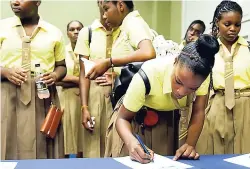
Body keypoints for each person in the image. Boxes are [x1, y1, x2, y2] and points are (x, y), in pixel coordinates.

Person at [108, 34, 219, 163]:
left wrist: (190, 144)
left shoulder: (201, 76)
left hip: (166, 120)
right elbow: (122, 119)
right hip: (132, 120)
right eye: (178, 81)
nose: (181, 92)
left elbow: (198, 111)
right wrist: (131, 142)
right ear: (175, 61)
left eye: (192, 89)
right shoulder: (150, 73)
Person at [0, 0, 66, 159]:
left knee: (44, 146)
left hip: (43, 94)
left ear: (38, 1)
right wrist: (5, 72)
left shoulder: (54, 32)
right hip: (8, 94)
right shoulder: (2, 28)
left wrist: (55, 75)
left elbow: (61, 66)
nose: (14, 2)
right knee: (6, 142)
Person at [196, 0, 250, 155]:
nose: (233, 29)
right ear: (217, 23)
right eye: (227, 24)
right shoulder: (207, 50)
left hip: (246, 105)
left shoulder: (248, 49)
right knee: (216, 152)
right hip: (218, 103)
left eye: (237, 24)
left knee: (244, 153)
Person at [74, 0, 119, 158]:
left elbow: (134, 64)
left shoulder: (124, 31)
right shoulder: (88, 33)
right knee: (92, 145)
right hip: (94, 93)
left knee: (118, 141)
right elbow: (83, 73)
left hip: (119, 94)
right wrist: (84, 107)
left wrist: (116, 75)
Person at [86, 0, 156, 80]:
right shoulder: (125, 26)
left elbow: (148, 53)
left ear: (121, 6)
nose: (104, 16)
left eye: (106, 9)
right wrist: (118, 79)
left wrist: (109, 62)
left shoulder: (132, 22)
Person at [56, 20, 84, 158]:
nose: (76, 32)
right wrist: (79, 81)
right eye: (72, 29)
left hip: (84, 99)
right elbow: (58, 77)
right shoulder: (62, 51)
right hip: (65, 99)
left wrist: (68, 79)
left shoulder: (88, 52)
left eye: (79, 29)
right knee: (65, 136)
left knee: (83, 138)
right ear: (67, 33)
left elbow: (92, 75)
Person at [178, 19, 206, 148]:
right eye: (191, 29)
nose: (192, 34)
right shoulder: (175, 48)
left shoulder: (202, 57)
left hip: (191, 97)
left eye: (197, 32)